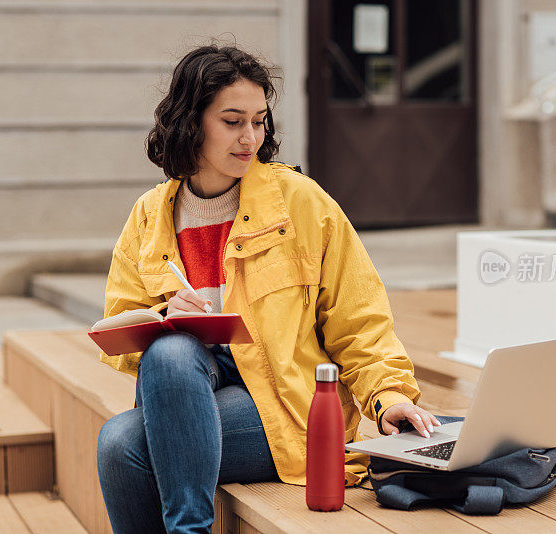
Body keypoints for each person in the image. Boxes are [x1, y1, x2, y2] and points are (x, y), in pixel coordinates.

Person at [95, 44, 438, 533]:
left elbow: (358, 315)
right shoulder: (150, 215)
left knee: (121, 445)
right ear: (192, 122)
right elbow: (125, 326)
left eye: (259, 120)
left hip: (285, 405)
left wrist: (388, 396)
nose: (250, 137)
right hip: (183, 386)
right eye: (233, 121)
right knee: (168, 353)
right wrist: (166, 312)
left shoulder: (299, 203)